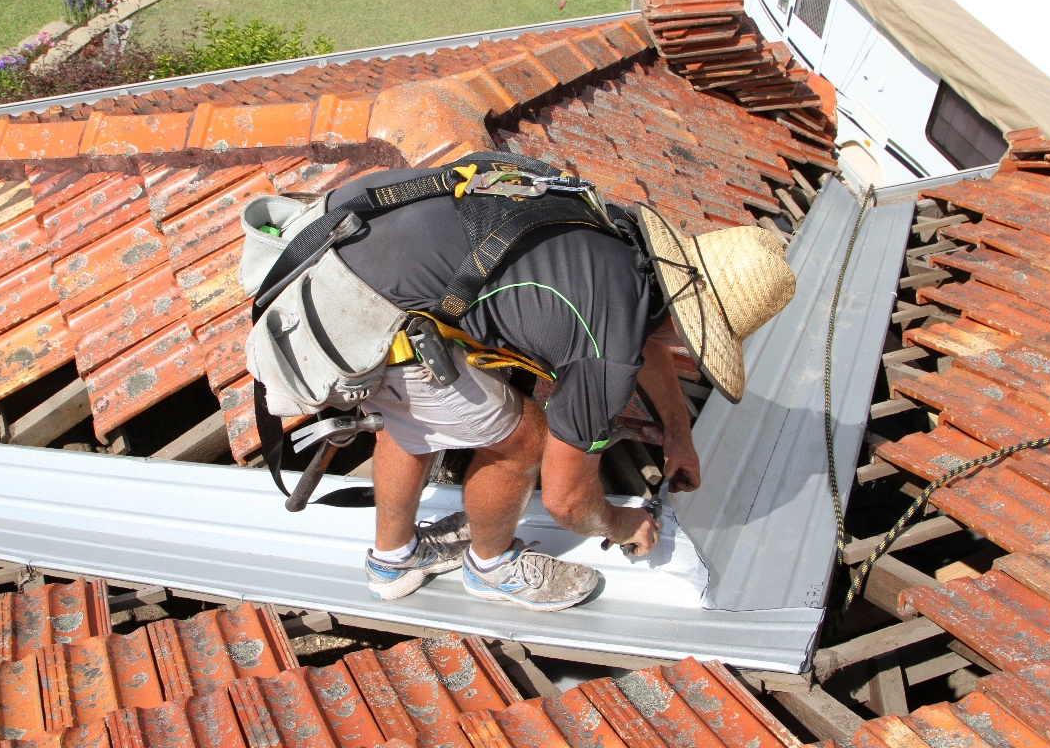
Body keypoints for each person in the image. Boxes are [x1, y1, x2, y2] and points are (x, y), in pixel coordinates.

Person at [243, 152, 796, 611]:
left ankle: (393, 561)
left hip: (333, 236)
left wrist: (677, 432)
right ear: (687, 325)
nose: (682, 350)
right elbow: (565, 499)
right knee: (526, 439)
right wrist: (621, 521)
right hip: (356, 312)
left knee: (419, 412)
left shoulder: (616, 230)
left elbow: (644, 330)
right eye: (693, 342)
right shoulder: (609, 345)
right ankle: (491, 567)